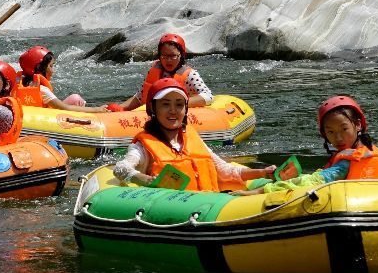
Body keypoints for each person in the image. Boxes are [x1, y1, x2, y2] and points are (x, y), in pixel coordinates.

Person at [112, 79, 273, 190]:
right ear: (153, 109)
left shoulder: (193, 139)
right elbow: (121, 168)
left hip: (210, 204)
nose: (173, 111)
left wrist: (262, 172)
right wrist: (146, 179)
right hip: (178, 212)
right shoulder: (142, 146)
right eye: (165, 105)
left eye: (179, 105)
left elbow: (224, 171)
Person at [232, 95, 378, 195]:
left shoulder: (347, 161)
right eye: (331, 132)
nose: (338, 137)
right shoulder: (370, 151)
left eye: (344, 129)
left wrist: (261, 191)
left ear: (358, 125)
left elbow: (312, 182)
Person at [112, 32, 213, 112]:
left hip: (175, 115)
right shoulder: (154, 70)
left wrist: (177, 104)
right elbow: (140, 97)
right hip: (151, 114)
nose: (168, 60)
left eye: (173, 56)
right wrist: (120, 108)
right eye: (164, 56)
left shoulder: (190, 75)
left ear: (181, 55)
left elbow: (208, 96)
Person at [13, 45, 108, 113]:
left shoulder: (18, 83)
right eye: (51, 66)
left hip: (31, 118)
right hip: (46, 121)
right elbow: (64, 108)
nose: (53, 71)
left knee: (73, 99)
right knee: (76, 99)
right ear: (39, 68)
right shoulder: (42, 90)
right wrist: (96, 109)